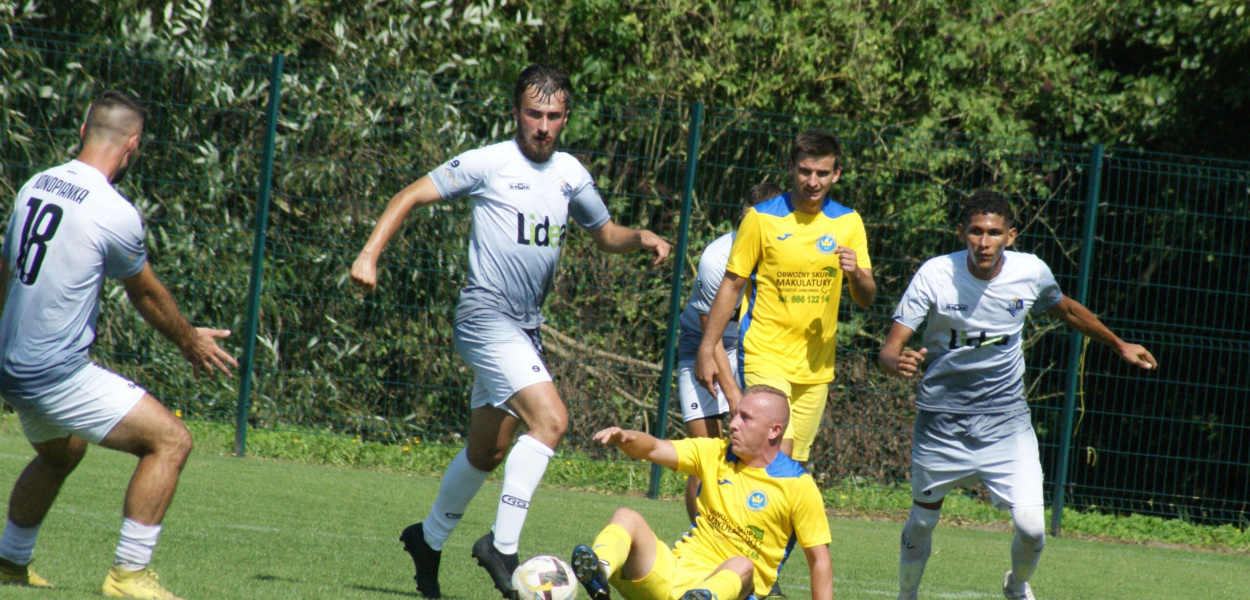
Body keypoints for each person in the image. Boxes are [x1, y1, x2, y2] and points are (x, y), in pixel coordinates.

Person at [350, 64, 671, 600]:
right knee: (551, 420)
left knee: (488, 450)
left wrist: (640, 236)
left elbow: (605, 233)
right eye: (533, 114)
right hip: (484, 316)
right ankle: (501, 547)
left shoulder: (570, 173)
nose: (543, 126)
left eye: (553, 116)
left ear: (566, 117)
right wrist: (368, 254)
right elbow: (408, 195)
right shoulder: (489, 163)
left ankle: (427, 539)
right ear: (516, 113)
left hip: (525, 328)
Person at [0, 90, 238, 599]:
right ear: (132, 146)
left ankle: (8, 562)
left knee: (63, 452)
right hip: (54, 373)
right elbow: (145, 294)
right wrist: (190, 340)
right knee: (171, 441)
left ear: (84, 131)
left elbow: (6, 270)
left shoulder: (35, 184)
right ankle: (128, 576)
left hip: (12, 366)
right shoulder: (114, 210)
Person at [878, 191, 1157, 600]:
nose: (984, 242)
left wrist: (1119, 344)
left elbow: (1067, 309)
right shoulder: (935, 274)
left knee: (1031, 528)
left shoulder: (1030, 271)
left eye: (993, 233)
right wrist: (895, 361)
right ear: (961, 232)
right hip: (940, 420)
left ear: (1010, 236)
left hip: (1006, 422)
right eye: (975, 231)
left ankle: (1016, 585)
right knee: (922, 522)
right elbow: (889, 348)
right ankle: (907, 596)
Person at [695, 129, 876, 466]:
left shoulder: (848, 222)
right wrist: (707, 349)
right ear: (791, 168)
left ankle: (737, 497)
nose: (813, 181)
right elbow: (732, 285)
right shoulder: (761, 218)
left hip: (816, 365)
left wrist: (855, 274)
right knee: (776, 451)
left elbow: (866, 297)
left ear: (836, 173)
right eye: (805, 171)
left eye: (822, 173)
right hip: (765, 354)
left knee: (791, 466)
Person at [570, 385, 833, 600]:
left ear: (774, 430)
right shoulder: (715, 452)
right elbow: (654, 448)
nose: (733, 424)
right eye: (735, 415)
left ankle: (706, 596)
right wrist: (626, 437)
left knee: (742, 565)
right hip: (673, 575)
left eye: (746, 418)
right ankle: (599, 571)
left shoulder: (797, 485)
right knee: (626, 517)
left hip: (732, 591)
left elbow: (819, 562)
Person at [676, 181, 782, 524]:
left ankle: (742, 530)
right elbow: (712, 336)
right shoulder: (716, 258)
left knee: (754, 451)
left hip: (755, 348)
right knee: (707, 453)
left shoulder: (786, 256)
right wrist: (734, 394)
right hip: (703, 344)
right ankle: (698, 535)